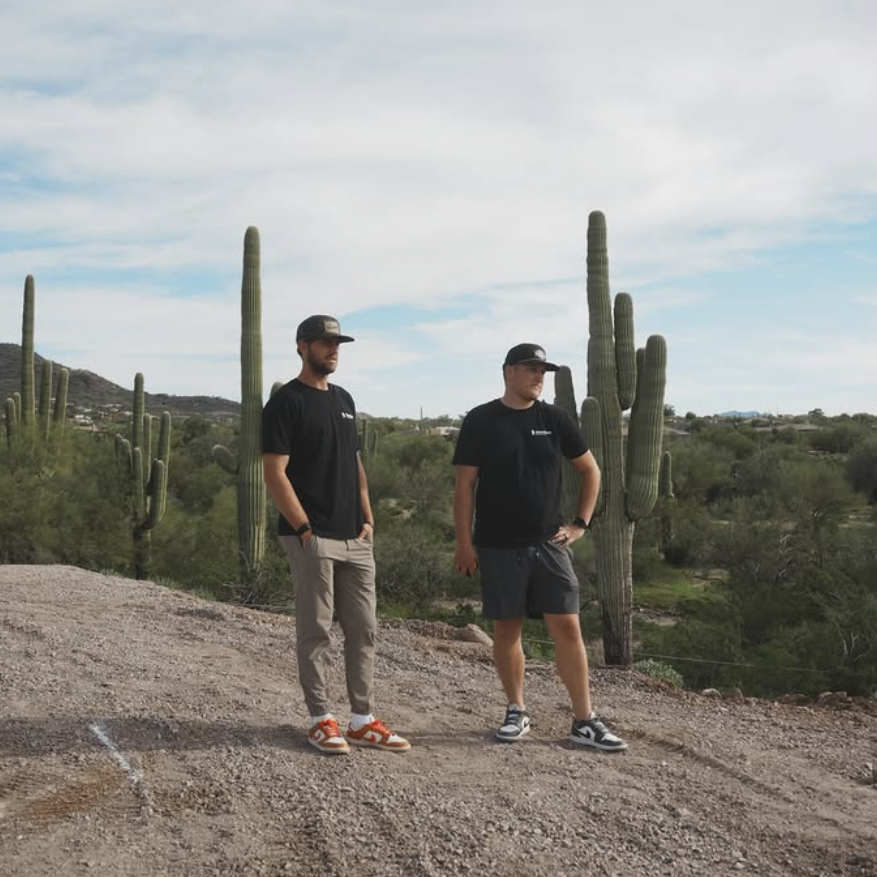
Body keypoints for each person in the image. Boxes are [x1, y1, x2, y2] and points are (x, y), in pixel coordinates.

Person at [452, 342, 627, 752]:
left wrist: (580, 523)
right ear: (508, 372)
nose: (538, 376)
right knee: (507, 629)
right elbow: (465, 485)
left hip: (549, 544)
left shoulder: (555, 419)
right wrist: (464, 542)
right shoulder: (481, 420)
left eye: (542, 371)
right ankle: (516, 709)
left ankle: (584, 720)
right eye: (531, 369)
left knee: (567, 625)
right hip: (496, 544)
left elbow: (590, 470)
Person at [262, 314, 410, 755]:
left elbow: (354, 463)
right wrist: (304, 527)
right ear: (302, 347)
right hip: (312, 536)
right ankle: (320, 718)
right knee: (317, 630)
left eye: (337, 343)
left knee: (364, 629)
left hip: (354, 536)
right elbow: (275, 473)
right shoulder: (285, 402)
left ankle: (362, 719)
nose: (333, 350)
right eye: (325, 343)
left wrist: (367, 516)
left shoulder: (344, 398)